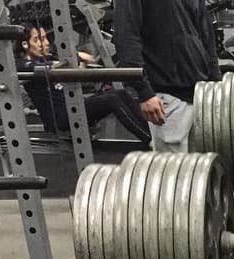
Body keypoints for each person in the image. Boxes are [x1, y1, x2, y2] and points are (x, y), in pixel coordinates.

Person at [18, 23, 151, 144]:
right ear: (25, 44)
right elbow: (49, 67)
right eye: (38, 40)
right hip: (59, 118)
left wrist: (79, 61)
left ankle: (152, 135)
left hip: (72, 107)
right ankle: (149, 141)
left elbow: (75, 63)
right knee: (113, 99)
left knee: (120, 93)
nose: (46, 43)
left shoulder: (47, 58)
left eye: (45, 38)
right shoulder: (24, 66)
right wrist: (75, 58)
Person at [115, 0, 221, 152]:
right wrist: (143, 91)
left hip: (200, 94)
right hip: (166, 96)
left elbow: (206, 35)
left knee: (201, 170)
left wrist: (216, 84)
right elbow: (126, 36)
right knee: (173, 171)